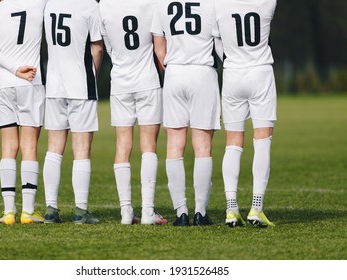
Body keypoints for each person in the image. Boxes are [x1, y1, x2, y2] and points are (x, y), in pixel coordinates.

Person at [151, 0, 221, 226]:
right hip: (202, 73)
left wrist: (172, 67)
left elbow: (158, 47)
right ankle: (200, 212)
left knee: (174, 145)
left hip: (175, 74)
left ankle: (181, 212)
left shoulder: (161, 3)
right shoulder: (213, 3)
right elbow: (220, 41)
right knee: (202, 147)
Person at [99, 0, 167, 225]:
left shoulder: (105, 6)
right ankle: (148, 211)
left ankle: (126, 211)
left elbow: (107, 46)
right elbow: (159, 45)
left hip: (120, 82)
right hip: (147, 81)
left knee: (122, 145)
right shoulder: (152, 4)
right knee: (149, 145)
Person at [214, 0, 277, 227]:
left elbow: (216, 41)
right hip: (260, 73)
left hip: (232, 75)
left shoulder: (218, 5)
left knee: (232, 144)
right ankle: (256, 208)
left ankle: (231, 209)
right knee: (262, 141)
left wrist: (231, 60)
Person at [0, 0, 47, 224]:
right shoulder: (39, 3)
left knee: (8, 147)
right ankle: (28, 212)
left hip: (5, 83)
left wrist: (12, 69)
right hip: (31, 80)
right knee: (29, 146)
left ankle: (9, 212)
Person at [42, 0, 104, 224]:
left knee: (53, 149)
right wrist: (92, 76)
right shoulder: (89, 5)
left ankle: (50, 208)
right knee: (82, 149)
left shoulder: (49, 4)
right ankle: (81, 210)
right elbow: (97, 47)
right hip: (81, 86)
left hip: (54, 86)